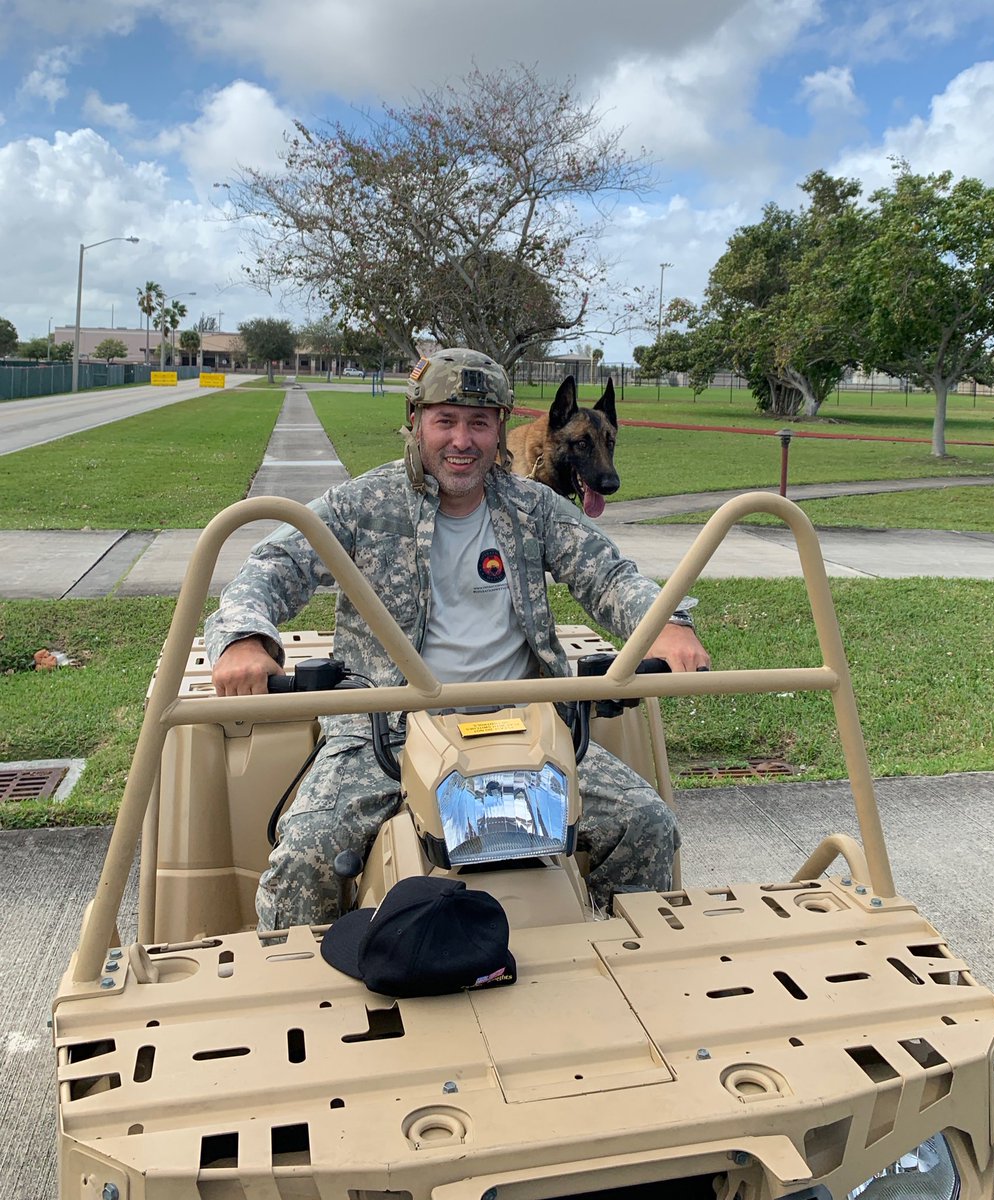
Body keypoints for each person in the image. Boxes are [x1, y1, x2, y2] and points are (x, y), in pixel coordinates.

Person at [206, 347, 711, 931]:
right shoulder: (364, 504)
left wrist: (666, 624)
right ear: (416, 423)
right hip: (385, 730)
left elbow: (609, 574)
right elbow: (274, 563)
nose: (462, 441)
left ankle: (619, 967)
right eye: (445, 421)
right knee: (306, 855)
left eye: (479, 423)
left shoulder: (534, 508)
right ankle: (299, 999)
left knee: (646, 823)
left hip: (524, 727)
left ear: (501, 429)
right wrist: (244, 637)